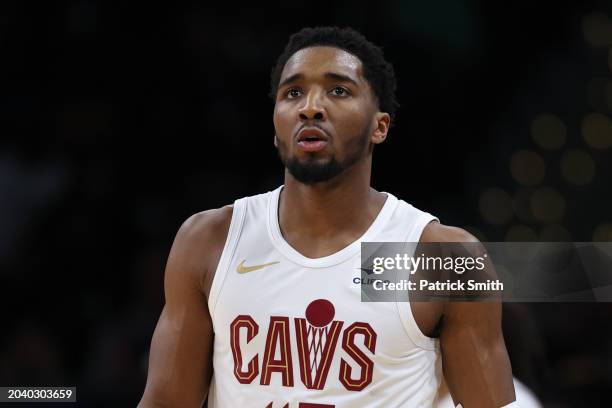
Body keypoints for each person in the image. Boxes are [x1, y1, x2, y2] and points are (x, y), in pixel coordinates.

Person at [138, 26, 517, 407]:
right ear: (275, 128)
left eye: (338, 90)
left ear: (379, 127)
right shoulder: (211, 239)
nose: (310, 107)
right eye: (293, 93)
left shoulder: (432, 257)